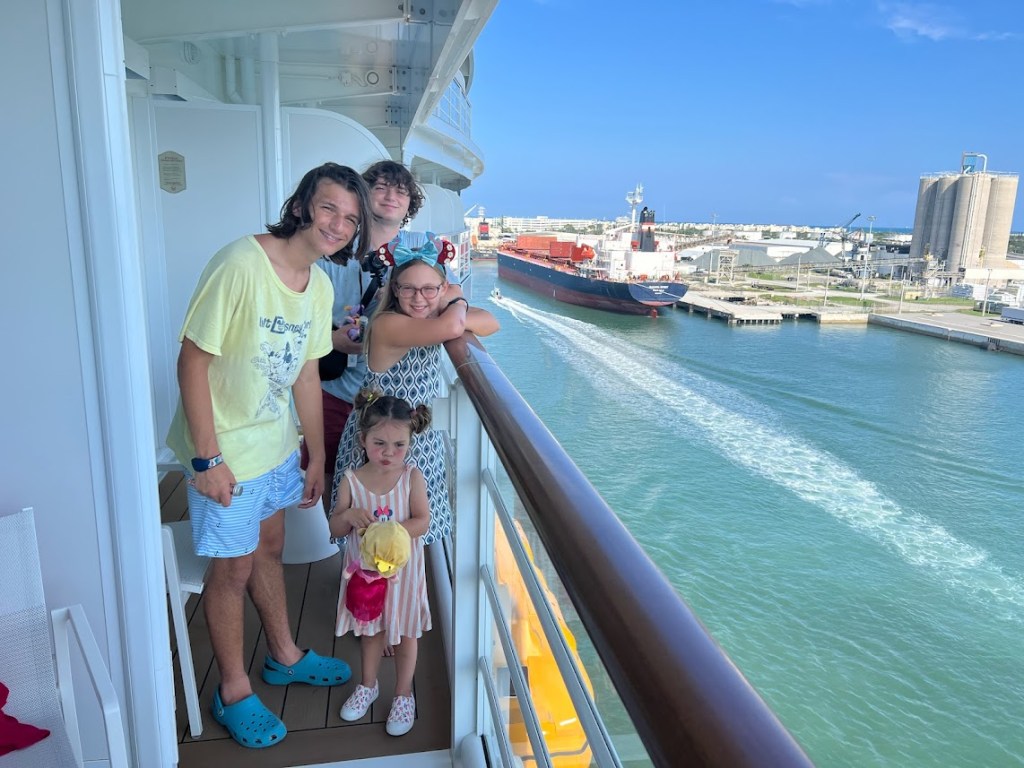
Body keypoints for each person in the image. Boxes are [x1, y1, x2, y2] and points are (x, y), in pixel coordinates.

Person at [165, 162, 371, 749]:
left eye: (350, 219)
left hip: (276, 446)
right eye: (328, 208)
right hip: (225, 452)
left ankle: (283, 654)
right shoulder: (241, 263)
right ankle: (232, 690)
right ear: (302, 205)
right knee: (231, 570)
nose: (337, 225)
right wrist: (207, 460)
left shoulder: (319, 285)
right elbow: (192, 360)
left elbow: (306, 373)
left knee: (271, 549)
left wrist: (315, 455)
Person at [331, 235, 500, 546]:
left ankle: (409, 580)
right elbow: (454, 327)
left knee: (408, 535)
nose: (418, 298)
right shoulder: (387, 324)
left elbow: (491, 322)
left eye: (428, 289)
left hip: (415, 437)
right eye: (408, 288)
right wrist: (455, 300)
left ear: (441, 288)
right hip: (380, 441)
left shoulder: (429, 318)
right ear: (395, 289)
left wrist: (451, 305)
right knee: (371, 536)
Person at [301, 161, 425, 494]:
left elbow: (448, 297)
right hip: (336, 388)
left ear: (410, 204)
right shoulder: (332, 249)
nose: (391, 197)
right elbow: (298, 316)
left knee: (388, 481)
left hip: (393, 396)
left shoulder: (421, 252)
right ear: (363, 196)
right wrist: (332, 340)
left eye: (401, 191)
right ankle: (332, 525)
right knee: (325, 471)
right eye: (380, 187)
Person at [329, 390, 432, 736]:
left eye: (399, 445)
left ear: (410, 442)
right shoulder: (351, 481)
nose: (389, 453)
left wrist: (390, 531)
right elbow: (334, 527)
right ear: (363, 440)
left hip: (405, 575)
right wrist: (347, 516)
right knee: (370, 632)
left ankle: (403, 694)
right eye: (379, 443)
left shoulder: (411, 477)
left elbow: (423, 521)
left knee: (406, 633)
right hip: (366, 579)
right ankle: (368, 684)